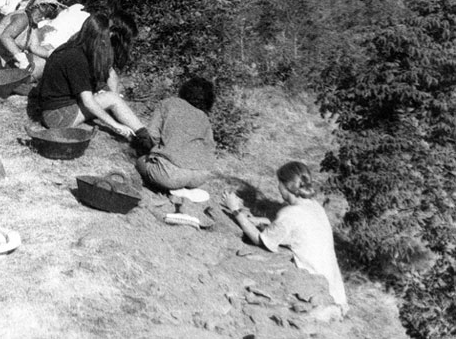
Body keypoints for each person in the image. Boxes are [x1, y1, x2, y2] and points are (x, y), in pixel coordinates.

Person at [223, 162, 349, 314]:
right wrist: (260, 221)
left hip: (316, 294)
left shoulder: (289, 213)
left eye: (279, 183)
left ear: (286, 185)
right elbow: (297, 227)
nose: (278, 188)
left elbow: (260, 240)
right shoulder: (315, 206)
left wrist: (235, 211)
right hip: (336, 292)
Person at [36, 13, 149, 140]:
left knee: (110, 97)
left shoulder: (74, 46)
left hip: (53, 109)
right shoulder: (76, 59)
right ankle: (145, 138)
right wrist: (116, 125)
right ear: (98, 38)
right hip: (56, 117)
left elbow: (109, 72)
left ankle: (142, 134)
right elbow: (88, 102)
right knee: (112, 99)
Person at [135, 77, 216, 191]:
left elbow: (153, 135)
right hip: (199, 177)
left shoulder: (168, 103)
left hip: (170, 175)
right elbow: (210, 148)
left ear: (185, 90)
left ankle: (165, 187)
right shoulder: (204, 117)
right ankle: (183, 190)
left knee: (140, 161)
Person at [0, 0, 62, 78]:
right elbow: (6, 37)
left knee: (42, 61)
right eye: (41, 14)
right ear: (34, 7)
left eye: (46, 16)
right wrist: (21, 58)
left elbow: (35, 47)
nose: (42, 18)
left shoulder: (32, 23)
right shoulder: (22, 18)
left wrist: (50, 54)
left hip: (9, 60)